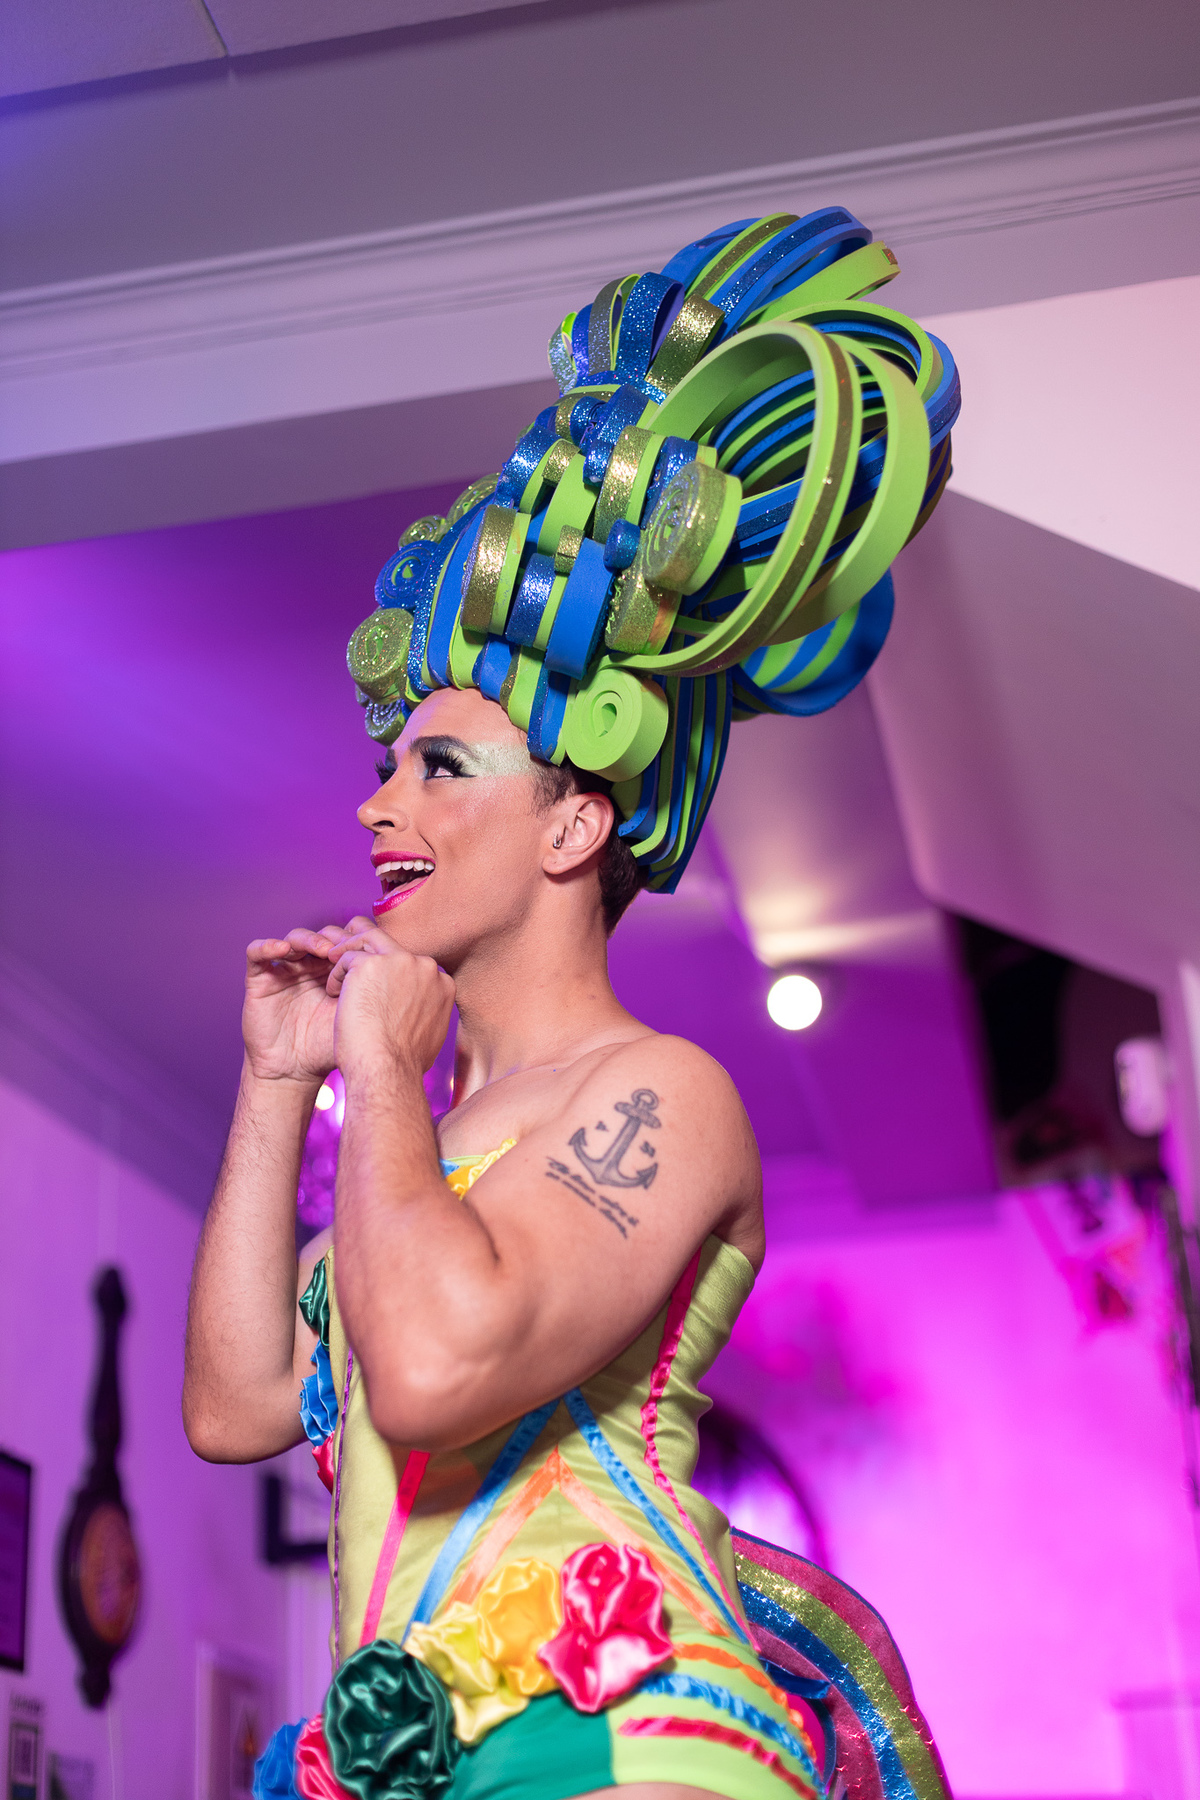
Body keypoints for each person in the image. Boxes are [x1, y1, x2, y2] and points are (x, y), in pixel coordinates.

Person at [183, 209, 959, 1800]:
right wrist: (278, 1084)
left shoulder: (662, 1094)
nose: (379, 807)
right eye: (388, 767)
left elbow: (438, 1370)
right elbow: (238, 1401)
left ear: (572, 824)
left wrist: (380, 1079)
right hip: (426, 1750)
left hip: (627, 1734)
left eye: (440, 768)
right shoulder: (419, 1162)